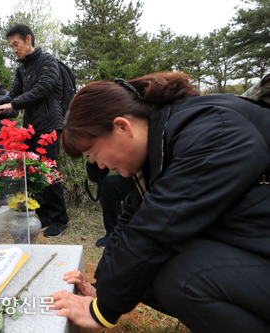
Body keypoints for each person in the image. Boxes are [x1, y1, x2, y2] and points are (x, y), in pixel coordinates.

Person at [51, 72, 270, 332]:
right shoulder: (159, 146)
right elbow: (130, 225)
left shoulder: (209, 131)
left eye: (94, 153)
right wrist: (100, 289)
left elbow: (156, 230)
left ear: (122, 127)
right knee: (139, 273)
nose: (100, 165)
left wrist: (101, 311)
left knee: (179, 275)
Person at [0, 24, 69, 237]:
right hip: (31, 128)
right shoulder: (21, 68)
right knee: (34, 172)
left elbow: (42, 89)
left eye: (16, 44)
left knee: (49, 172)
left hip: (50, 125)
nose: (14, 49)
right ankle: (44, 216)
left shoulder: (48, 62)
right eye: (11, 46)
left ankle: (60, 220)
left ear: (28, 39)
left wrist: (13, 105)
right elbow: (12, 95)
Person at [85, 159, 132, 248]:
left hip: (154, 179)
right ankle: (113, 232)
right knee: (108, 184)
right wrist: (92, 159)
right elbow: (96, 177)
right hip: (133, 178)